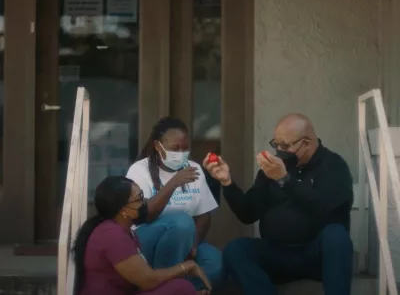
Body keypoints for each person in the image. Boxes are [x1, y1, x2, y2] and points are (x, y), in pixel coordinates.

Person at [203, 113, 354, 295]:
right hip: (278, 254)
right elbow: (247, 213)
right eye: (276, 144)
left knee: (337, 235)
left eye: (285, 146)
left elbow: (324, 208)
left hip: (316, 256)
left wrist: (284, 180)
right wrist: (227, 183)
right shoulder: (273, 168)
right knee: (236, 249)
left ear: (306, 143)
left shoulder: (333, 166)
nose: (279, 151)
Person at [126, 117, 222, 293]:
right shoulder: (139, 170)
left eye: (185, 148)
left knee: (213, 261)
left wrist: (193, 244)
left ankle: (180, 289)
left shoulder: (193, 168)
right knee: (181, 222)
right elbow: (143, 215)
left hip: (184, 242)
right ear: (157, 145)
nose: (181, 153)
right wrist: (173, 184)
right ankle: (165, 288)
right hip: (144, 242)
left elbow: (203, 215)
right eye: (175, 148)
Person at [72, 176, 211, 295]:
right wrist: (185, 267)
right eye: (139, 199)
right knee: (182, 288)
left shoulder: (124, 230)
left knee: (182, 288)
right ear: (123, 209)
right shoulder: (112, 235)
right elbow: (147, 280)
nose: (144, 202)